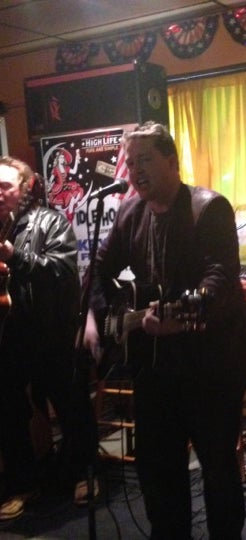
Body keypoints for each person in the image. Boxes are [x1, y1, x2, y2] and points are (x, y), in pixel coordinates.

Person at [83, 121, 246, 539]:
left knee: (218, 469)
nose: (135, 171)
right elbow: (98, 270)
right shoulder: (130, 212)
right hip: (156, 362)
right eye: (130, 164)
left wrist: (181, 315)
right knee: (158, 470)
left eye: (144, 160)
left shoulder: (209, 207)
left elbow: (219, 278)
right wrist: (96, 317)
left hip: (212, 360)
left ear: (171, 162)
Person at [0, 156, 98, 521]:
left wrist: (17, 256)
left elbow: (62, 271)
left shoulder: (50, 222)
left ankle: (84, 473)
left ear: (26, 189)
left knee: (71, 406)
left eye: (5, 187)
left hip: (50, 333)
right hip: (10, 336)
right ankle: (24, 482)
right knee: (9, 412)